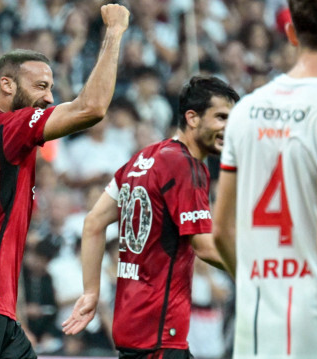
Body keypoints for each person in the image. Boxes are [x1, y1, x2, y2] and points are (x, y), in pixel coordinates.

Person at [0, 4, 129, 359]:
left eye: (51, 87)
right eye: (40, 86)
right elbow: (91, 108)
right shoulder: (8, 128)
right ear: (7, 85)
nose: (49, 98)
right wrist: (113, 33)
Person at [213, 0, 317, 358]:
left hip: (256, 321)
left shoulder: (245, 111)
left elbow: (222, 230)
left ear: (291, 34)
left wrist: (258, 286)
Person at [61, 76, 239, 358]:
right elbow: (203, 246)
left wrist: (91, 292)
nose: (228, 128)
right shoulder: (186, 166)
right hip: (160, 332)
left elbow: (93, 223)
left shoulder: (141, 159)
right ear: (192, 118)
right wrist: (255, 272)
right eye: (220, 117)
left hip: (132, 326)